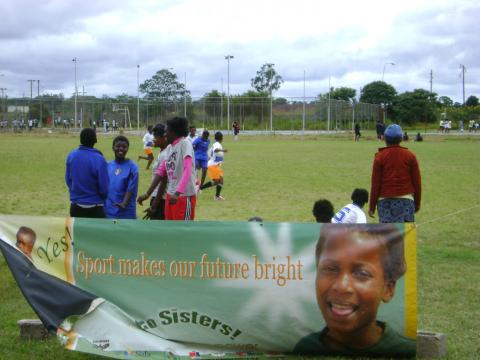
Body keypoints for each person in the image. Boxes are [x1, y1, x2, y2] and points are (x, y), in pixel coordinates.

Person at [293, 224, 416, 358]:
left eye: (362, 273)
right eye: (330, 269)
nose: (342, 286)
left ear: (388, 289)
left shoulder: (405, 351)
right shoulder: (304, 346)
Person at [369, 124, 421, 223]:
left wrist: (372, 207)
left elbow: (375, 184)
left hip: (385, 203)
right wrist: (417, 204)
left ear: (384, 138)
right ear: (401, 138)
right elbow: (417, 183)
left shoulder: (379, 157)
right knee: (405, 236)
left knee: (387, 236)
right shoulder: (410, 156)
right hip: (406, 201)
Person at [148, 117, 197, 220]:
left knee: (182, 231)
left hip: (183, 196)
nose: (164, 135)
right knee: (170, 228)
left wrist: (177, 193)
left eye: (166, 132)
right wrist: (147, 194)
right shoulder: (170, 148)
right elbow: (161, 170)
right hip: (170, 195)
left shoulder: (185, 144)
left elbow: (187, 169)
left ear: (175, 132)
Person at [65, 128, 109, 218]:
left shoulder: (71, 156)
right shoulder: (99, 159)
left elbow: (68, 180)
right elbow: (104, 188)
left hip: (76, 207)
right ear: (95, 140)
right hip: (95, 208)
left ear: (80, 140)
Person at [136, 123, 169, 220]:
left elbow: (163, 182)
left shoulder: (165, 154)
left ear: (164, 138)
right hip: (158, 198)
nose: (153, 139)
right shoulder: (162, 152)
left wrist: (154, 206)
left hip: (161, 200)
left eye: (155, 136)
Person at [105, 135, 139, 219]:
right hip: (108, 211)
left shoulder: (133, 167)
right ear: (113, 148)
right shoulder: (107, 165)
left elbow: (131, 187)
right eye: (118, 146)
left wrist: (124, 203)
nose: (121, 149)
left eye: (124, 147)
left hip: (126, 212)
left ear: (127, 148)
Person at [199, 131, 228, 200]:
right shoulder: (217, 145)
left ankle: (200, 188)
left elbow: (209, 155)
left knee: (216, 182)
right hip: (213, 166)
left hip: (213, 165)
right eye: (222, 138)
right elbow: (215, 150)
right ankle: (217, 196)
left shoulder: (214, 144)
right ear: (221, 138)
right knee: (220, 180)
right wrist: (223, 150)